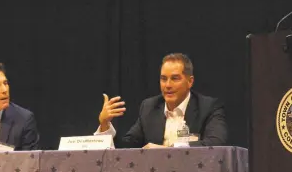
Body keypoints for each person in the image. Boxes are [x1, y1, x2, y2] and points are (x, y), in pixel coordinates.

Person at [94, 53, 228, 148]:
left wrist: (167, 150)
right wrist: (104, 124)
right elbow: (128, 146)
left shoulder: (209, 107)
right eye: (163, 79)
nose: (167, 85)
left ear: (190, 81)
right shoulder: (149, 107)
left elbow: (215, 144)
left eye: (175, 78)